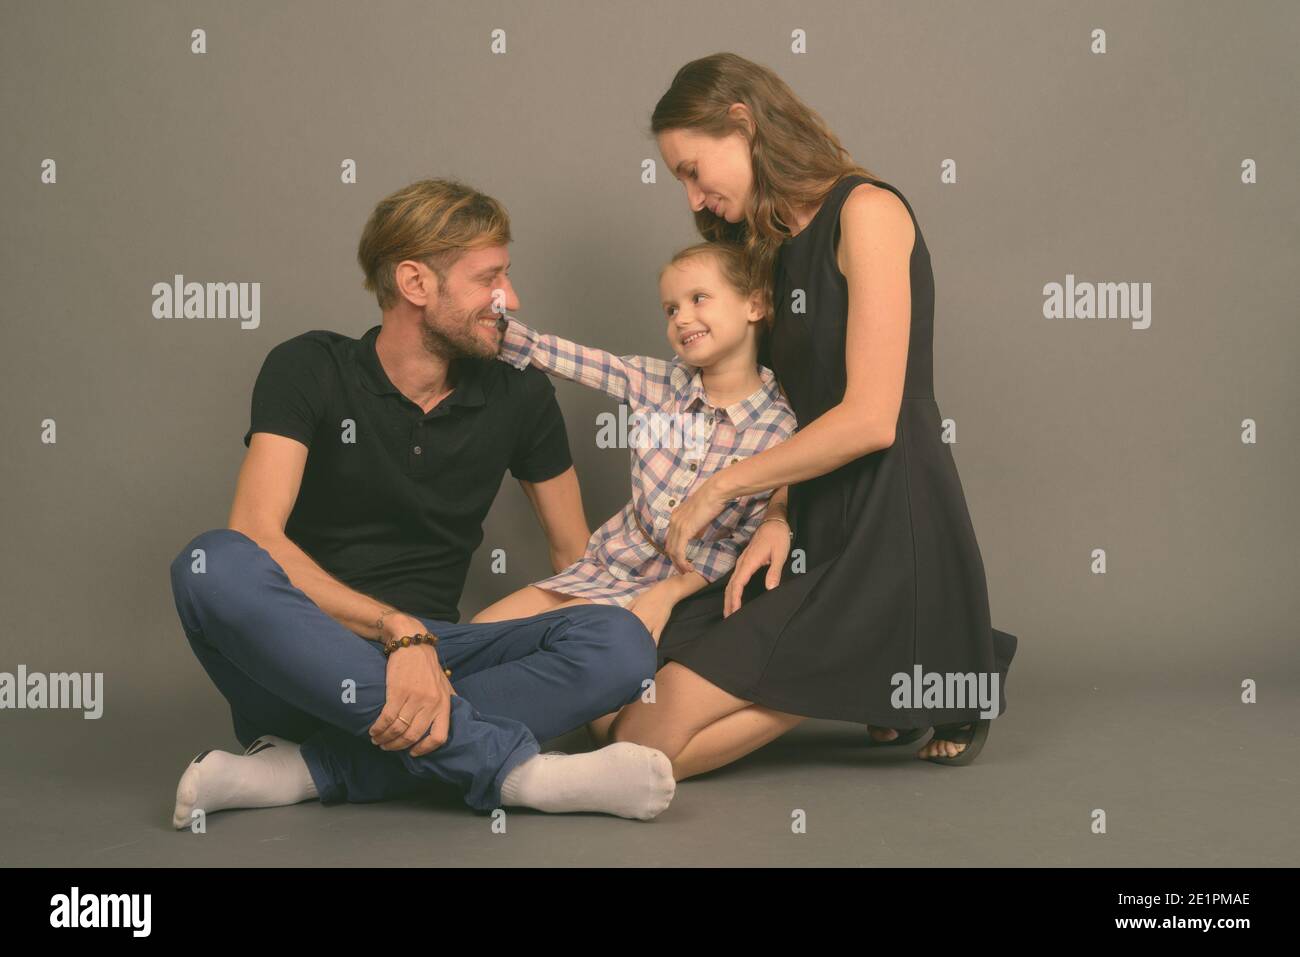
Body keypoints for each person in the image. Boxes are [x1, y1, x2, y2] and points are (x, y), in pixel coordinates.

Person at [168, 178, 676, 826]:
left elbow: (577, 559)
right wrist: (395, 630)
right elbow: (258, 534)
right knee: (211, 561)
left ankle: (303, 768)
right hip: (303, 661)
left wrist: (438, 646)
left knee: (621, 641)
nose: (510, 300)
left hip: (440, 658)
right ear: (415, 283)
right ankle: (516, 772)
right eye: (489, 278)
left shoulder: (519, 394)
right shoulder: (307, 368)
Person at [607, 52, 1020, 780]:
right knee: (614, 704)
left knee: (639, 745)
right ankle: (904, 657)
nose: (693, 197)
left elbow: (869, 420)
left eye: (694, 169)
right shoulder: (761, 248)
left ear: (743, 122)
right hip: (809, 508)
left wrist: (723, 486)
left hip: (891, 513)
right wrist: (776, 514)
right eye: (681, 178)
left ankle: (898, 653)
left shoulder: (868, 213)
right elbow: (790, 414)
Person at [471, 241, 797, 745]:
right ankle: (416, 725)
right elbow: (567, 357)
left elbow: (736, 546)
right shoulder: (655, 382)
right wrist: (490, 324)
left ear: (754, 305)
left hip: (682, 591)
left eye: (699, 299)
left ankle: (459, 741)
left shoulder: (782, 427)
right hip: (605, 567)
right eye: (671, 309)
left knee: (599, 713)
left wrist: (671, 592)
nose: (682, 318)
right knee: (479, 635)